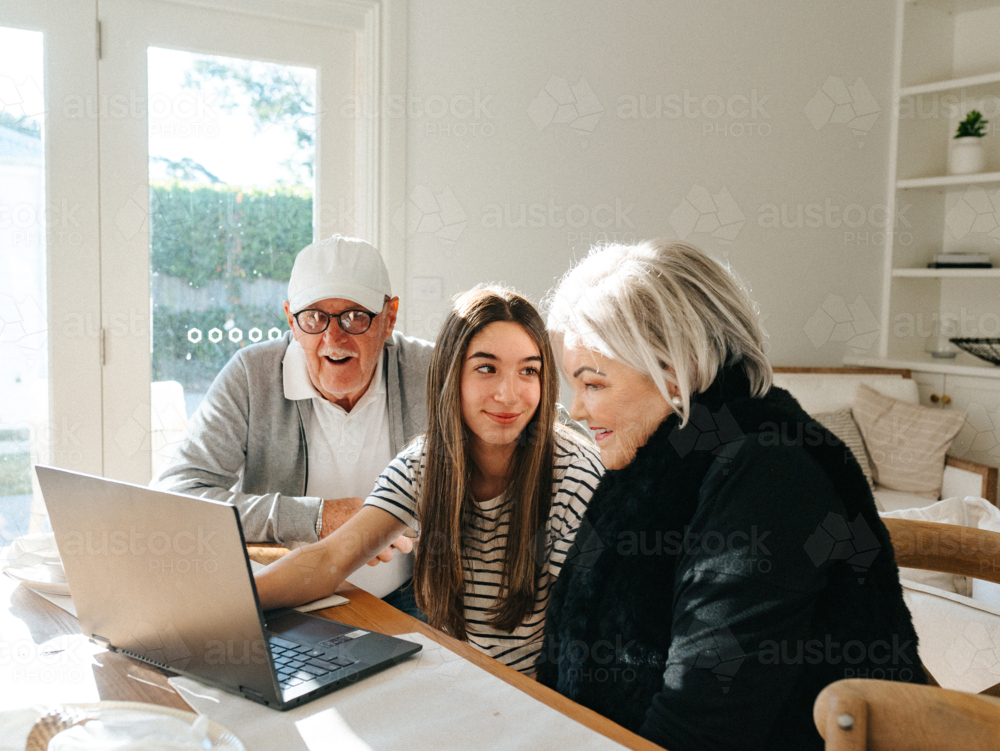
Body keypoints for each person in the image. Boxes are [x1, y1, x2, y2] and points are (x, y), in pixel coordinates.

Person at [537, 240, 925, 750]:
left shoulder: (768, 474)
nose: (578, 411)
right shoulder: (655, 459)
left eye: (593, 385)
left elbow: (700, 727)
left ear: (674, 369)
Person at [255, 286, 604, 675]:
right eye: (486, 368)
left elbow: (588, 632)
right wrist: (226, 608)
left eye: (529, 371)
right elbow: (329, 560)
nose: (509, 394)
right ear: (451, 377)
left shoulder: (573, 476)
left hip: (536, 696)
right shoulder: (425, 463)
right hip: (454, 678)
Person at [153, 235, 434, 608]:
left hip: (408, 600)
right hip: (285, 599)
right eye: (315, 317)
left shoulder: (431, 371)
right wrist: (315, 517)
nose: (334, 338)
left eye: (355, 316)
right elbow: (175, 498)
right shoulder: (251, 375)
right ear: (291, 320)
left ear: (389, 318)